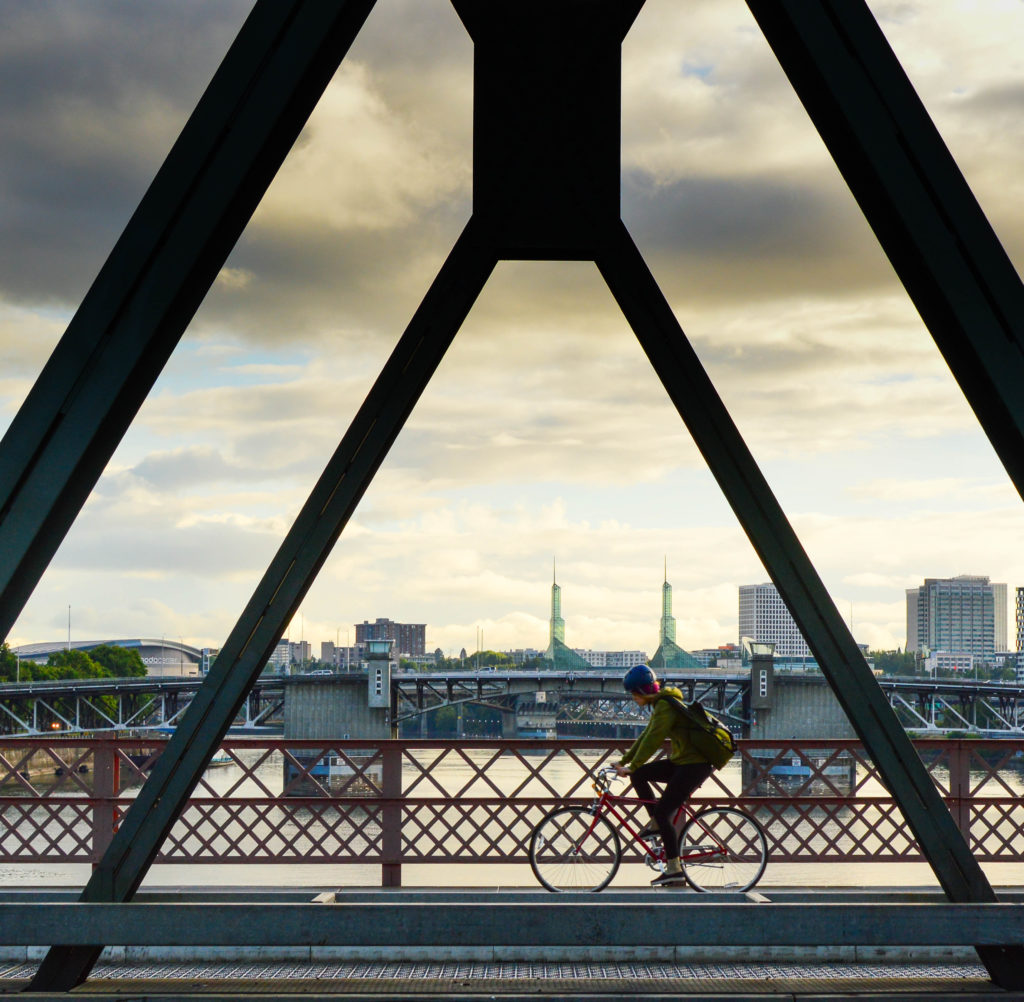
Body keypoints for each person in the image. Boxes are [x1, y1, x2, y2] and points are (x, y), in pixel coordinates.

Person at [615, 664, 714, 887]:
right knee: (639, 775)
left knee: (662, 812)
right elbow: (646, 735)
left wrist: (634, 763)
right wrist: (626, 762)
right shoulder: (661, 705)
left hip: (694, 766)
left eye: (633, 694)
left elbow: (654, 740)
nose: (632, 698)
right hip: (683, 762)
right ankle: (657, 823)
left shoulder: (665, 706)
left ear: (642, 691)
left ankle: (674, 869)